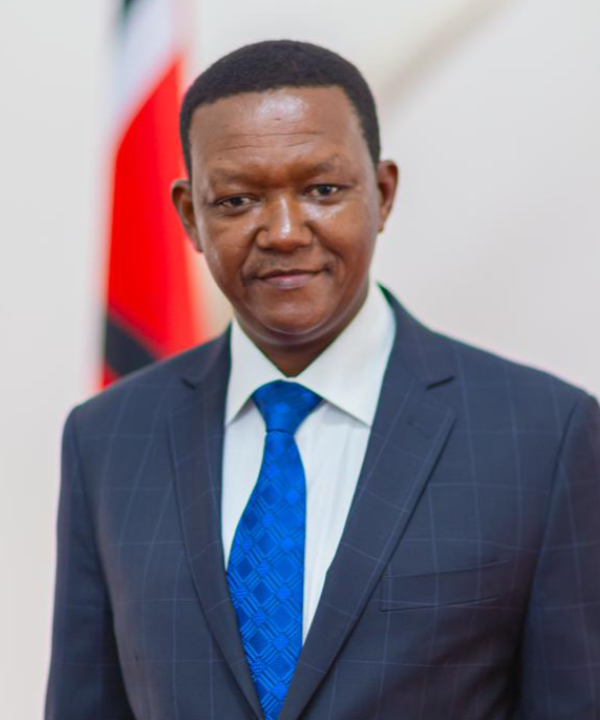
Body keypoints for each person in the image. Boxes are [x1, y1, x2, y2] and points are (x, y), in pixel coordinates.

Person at [45, 40, 600, 720]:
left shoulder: (543, 434)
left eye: (323, 191)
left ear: (383, 193)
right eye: (238, 199)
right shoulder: (107, 438)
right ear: (191, 215)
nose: (283, 232)